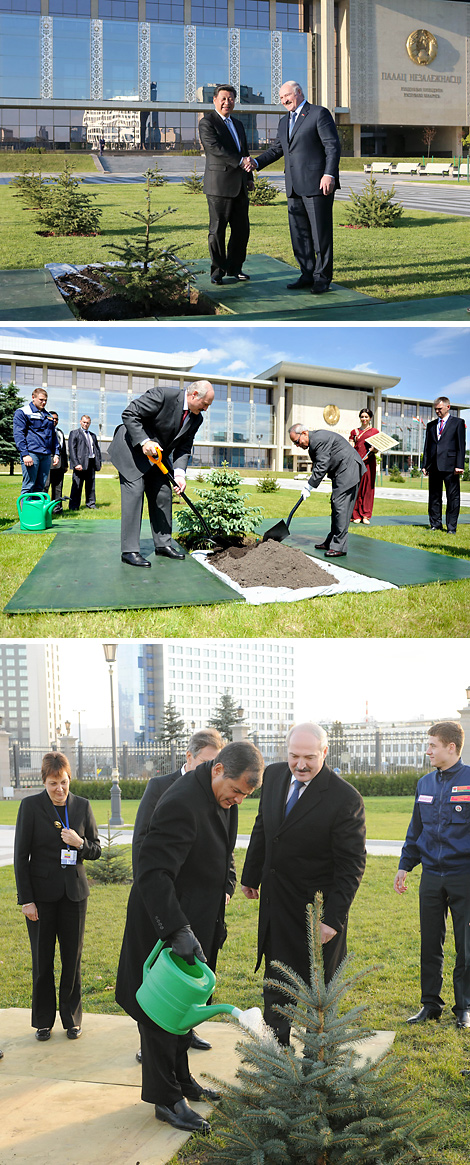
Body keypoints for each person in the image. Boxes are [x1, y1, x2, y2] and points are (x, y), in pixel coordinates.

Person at [115, 741, 264, 1135]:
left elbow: (219, 857)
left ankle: (182, 1080)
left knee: (184, 1014)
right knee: (162, 1017)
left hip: (197, 926)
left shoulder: (221, 799)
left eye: (244, 796)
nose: (237, 801)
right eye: (236, 791)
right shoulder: (181, 800)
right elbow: (152, 870)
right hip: (163, 928)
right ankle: (166, 1100)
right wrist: (176, 929)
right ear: (218, 770)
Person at [241, 723, 366, 1045]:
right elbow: (263, 825)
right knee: (277, 982)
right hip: (277, 904)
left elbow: (351, 866)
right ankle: (275, 1054)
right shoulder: (275, 776)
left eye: (309, 757)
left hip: (318, 912)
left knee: (318, 993)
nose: (300, 764)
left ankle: (316, 1062)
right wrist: (251, 875)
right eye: (294, 755)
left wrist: (332, 920)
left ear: (325, 752)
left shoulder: (344, 798)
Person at [132, 726, 226, 1057]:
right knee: (163, 981)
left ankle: (187, 1030)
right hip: (168, 901)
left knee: (194, 976)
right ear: (190, 757)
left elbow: (223, 851)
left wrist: (224, 887)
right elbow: (143, 844)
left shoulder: (224, 792)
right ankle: (153, 1044)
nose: (216, 769)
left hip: (202, 906)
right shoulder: (162, 787)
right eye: (209, 762)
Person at [14, 751, 101, 1041]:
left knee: (71, 960)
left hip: (74, 896)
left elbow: (96, 850)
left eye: (63, 782)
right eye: (53, 784)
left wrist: (80, 843)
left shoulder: (83, 806)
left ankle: (72, 1019)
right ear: (44, 781)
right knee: (42, 960)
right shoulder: (30, 807)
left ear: (69, 779)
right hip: (39, 898)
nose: (59, 789)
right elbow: (20, 856)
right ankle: (43, 1021)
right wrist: (26, 900)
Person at [394, 721, 470, 1030]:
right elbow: (416, 830)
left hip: (463, 875)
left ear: (451, 748)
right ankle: (430, 1004)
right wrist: (404, 865)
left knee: (465, 945)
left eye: (433, 746)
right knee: (430, 942)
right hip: (431, 877)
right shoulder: (424, 784)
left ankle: (464, 1007)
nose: (428, 751)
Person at [245, 80, 341, 294]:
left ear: (299, 93)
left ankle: (322, 278)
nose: (284, 100)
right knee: (300, 235)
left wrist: (329, 174)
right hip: (293, 187)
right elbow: (277, 150)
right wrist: (257, 162)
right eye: (280, 98)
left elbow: (332, 146)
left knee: (320, 234)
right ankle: (306, 274)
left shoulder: (318, 113)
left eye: (287, 96)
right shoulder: (283, 121)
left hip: (318, 185)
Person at [108, 379, 214, 568]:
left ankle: (163, 545)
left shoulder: (196, 418)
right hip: (132, 449)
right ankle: (129, 551)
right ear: (194, 395)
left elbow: (184, 447)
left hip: (158, 456)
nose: (206, 409)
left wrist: (180, 474)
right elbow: (130, 414)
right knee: (135, 492)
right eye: (205, 404)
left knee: (163, 493)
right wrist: (145, 442)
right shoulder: (163, 395)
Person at [198, 84, 254, 285]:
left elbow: (244, 150)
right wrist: (240, 162)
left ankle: (235, 267)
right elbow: (214, 148)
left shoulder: (238, 124)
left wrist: (249, 178)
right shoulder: (207, 122)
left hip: (240, 185)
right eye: (223, 98)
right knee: (218, 230)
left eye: (230, 98)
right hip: (218, 186)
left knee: (241, 230)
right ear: (214, 100)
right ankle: (218, 270)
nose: (226, 102)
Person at [289, 423, 366, 557]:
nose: (297, 445)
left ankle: (339, 547)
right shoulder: (314, 443)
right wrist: (310, 483)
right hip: (342, 470)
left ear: (305, 433)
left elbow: (322, 465)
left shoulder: (318, 440)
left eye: (297, 441)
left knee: (340, 506)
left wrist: (309, 486)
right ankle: (331, 541)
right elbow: (319, 464)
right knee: (336, 504)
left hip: (349, 469)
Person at [422, 397, 466, 533]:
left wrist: (460, 465)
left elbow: (461, 445)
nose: (437, 411)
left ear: (448, 407)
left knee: (453, 497)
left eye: (439, 409)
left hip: (451, 466)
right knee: (434, 497)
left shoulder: (458, 423)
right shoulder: (431, 425)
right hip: (434, 466)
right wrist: (425, 465)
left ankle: (451, 527)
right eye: (435, 409)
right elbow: (427, 447)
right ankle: (435, 524)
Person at [13, 387, 59, 496]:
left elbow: (53, 436)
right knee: (29, 485)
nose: (44, 402)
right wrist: (25, 454)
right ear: (33, 397)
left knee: (40, 487)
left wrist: (56, 453)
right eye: (41, 400)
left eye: (45, 400)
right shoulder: (23, 412)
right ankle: (26, 513)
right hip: (32, 454)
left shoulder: (48, 416)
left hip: (46, 455)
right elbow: (19, 434)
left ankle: (36, 513)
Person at [349, 408, 380, 525]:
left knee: (368, 489)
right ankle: (355, 514)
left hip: (369, 463)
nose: (364, 419)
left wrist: (374, 449)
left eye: (366, 417)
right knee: (356, 488)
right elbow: (351, 447)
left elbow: (377, 449)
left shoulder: (374, 432)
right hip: (357, 462)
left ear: (370, 418)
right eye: (362, 416)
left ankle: (366, 515)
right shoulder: (354, 432)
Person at [68, 415, 101, 511]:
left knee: (91, 485)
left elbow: (97, 450)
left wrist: (98, 462)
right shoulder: (74, 433)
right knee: (77, 485)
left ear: (90, 423)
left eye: (87, 423)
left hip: (91, 463)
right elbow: (72, 449)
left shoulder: (93, 435)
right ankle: (74, 506)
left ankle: (91, 504)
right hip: (80, 463)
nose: (85, 424)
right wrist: (76, 463)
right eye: (84, 422)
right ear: (80, 422)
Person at [48, 411, 68, 514]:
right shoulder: (45, 431)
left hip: (60, 466)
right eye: (53, 418)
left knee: (58, 488)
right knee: (45, 487)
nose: (55, 420)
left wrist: (65, 465)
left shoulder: (60, 432)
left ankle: (57, 509)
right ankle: (45, 509)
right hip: (47, 464)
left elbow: (63, 450)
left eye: (56, 419)